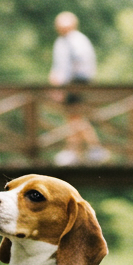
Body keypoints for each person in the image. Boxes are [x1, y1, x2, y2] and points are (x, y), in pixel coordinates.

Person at [48, 11, 108, 165]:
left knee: (74, 116)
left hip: (75, 82)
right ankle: (75, 150)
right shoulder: (69, 40)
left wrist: (60, 86)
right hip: (73, 82)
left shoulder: (74, 41)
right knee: (72, 117)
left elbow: (73, 65)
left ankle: (92, 148)